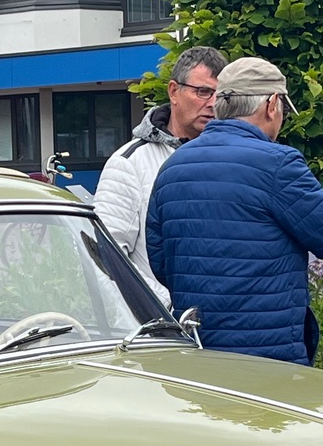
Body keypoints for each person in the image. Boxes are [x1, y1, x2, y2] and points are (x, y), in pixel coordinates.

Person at [147, 56, 323, 365]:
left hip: (197, 353)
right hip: (269, 356)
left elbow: (161, 262)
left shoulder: (173, 166)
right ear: (272, 105)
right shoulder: (277, 164)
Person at [92, 45, 226, 304]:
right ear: (174, 91)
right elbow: (105, 257)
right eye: (203, 92)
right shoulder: (129, 163)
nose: (212, 103)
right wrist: (168, 307)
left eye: (220, 95)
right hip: (161, 321)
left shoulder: (232, 159)